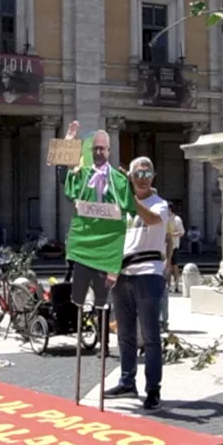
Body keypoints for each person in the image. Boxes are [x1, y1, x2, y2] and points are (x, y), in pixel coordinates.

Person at [104, 157, 172, 411]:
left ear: (153, 177)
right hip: (123, 272)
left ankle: (153, 389)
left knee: (151, 335)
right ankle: (126, 380)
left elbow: (153, 220)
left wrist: (128, 197)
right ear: (131, 177)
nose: (143, 177)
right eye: (138, 173)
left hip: (148, 271)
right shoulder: (121, 206)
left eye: (147, 173)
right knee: (124, 333)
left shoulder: (160, 205)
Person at [59, 123, 143, 311]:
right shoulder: (82, 175)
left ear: (109, 151)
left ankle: (102, 334)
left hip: (108, 251)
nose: (98, 152)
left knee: (102, 303)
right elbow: (66, 171)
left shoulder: (120, 180)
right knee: (78, 299)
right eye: (95, 148)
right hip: (84, 248)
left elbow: (134, 210)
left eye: (102, 149)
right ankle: (84, 332)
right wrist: (69, 140)